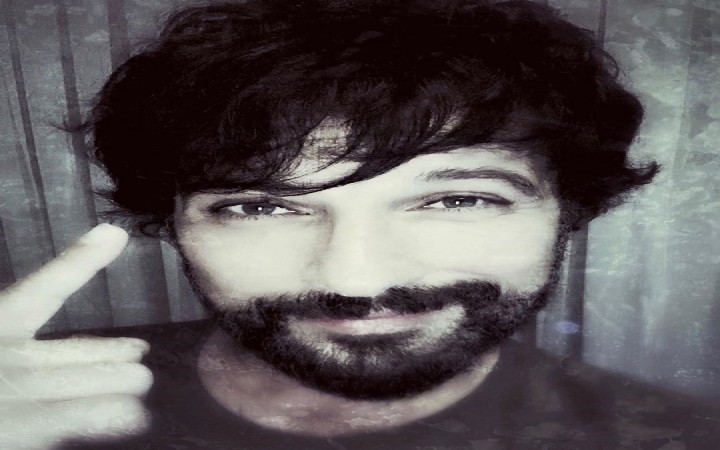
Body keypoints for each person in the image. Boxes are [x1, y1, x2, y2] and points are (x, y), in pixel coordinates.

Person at [0, 0, 717, 448]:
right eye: (262, 207)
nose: (356, 281)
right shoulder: (22, 399)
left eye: (456, 200)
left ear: (570, 208)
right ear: (171, 222)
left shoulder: (677, 437)